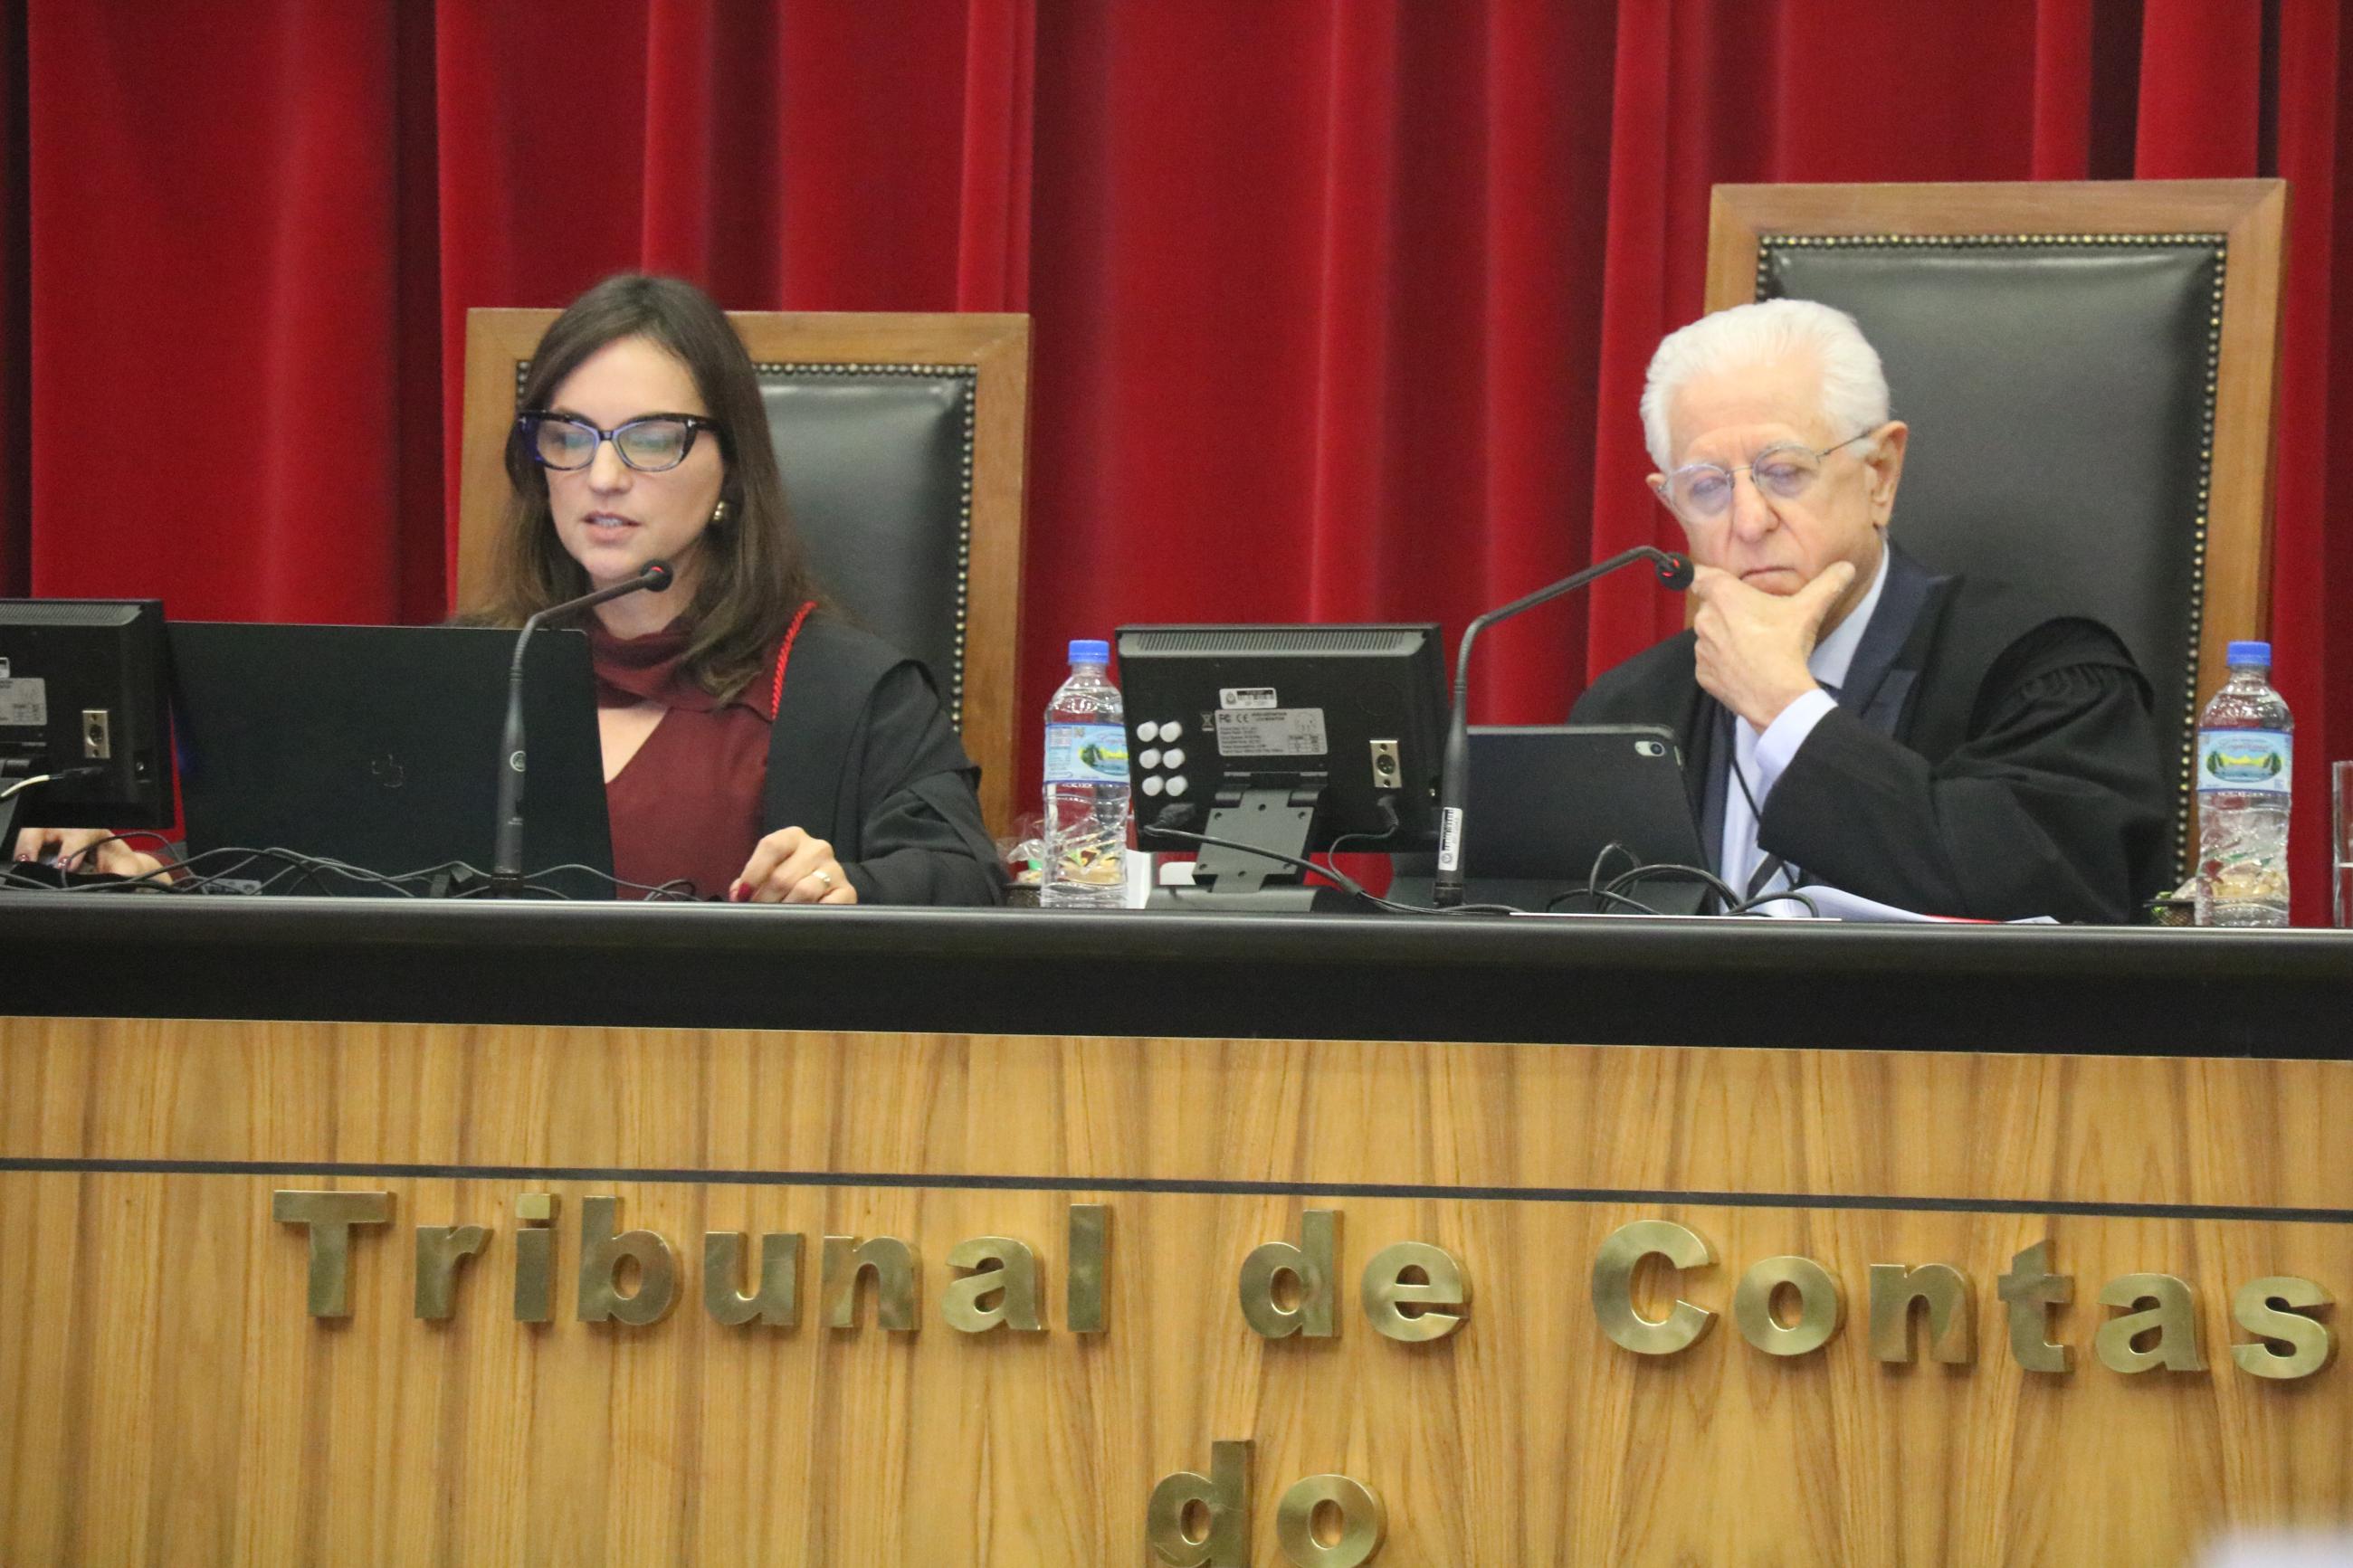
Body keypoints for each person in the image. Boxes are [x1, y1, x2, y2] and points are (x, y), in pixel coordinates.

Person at [18, 273, 1005, 906]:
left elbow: (966, 873)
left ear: (732, 470)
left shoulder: (844, 689)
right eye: (568, 436)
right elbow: (316, 889)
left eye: (650, 439)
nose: (603, 476)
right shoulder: (462, 677)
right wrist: (148, 883)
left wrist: (848, 883)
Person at [1570, 298, 2169, 923]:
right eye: (1707, 487)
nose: (1748, 522)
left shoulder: (2042, 673)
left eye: (1784, 472)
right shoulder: (1629, 712)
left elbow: (2046, 905)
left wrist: (1786, 710)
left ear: (1879, 473)